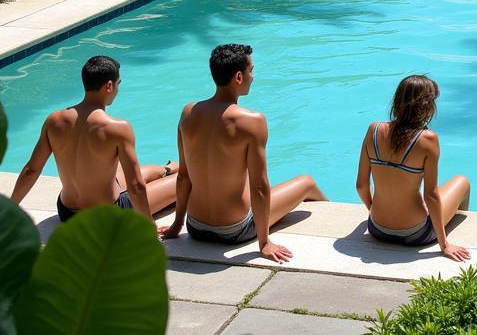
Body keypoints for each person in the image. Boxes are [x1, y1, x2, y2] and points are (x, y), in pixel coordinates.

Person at [159, 44, 327, 263]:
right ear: (238, 76)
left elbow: (183, 176)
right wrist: (264, 242)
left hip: (195, 226)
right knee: (307, 182)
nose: (253, 77)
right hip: (234, 230)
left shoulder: (188, 112)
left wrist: (176, 226)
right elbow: (259, 186)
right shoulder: (252, 121)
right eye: (251, 70)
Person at [10, 55, 178, 222]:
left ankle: (167, 169)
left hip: (67, 212)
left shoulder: (54, 120)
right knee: (184, 179)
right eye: (118, 84)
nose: (118, 90)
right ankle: (174, 172)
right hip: (108, 215)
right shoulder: (118, 127)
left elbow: (31, 170)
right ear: (109, 86)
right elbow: (136, 187)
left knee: (116, 167)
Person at [356, 75, 471, 262]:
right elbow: (431, 196)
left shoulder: (374, 130)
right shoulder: (428, 139)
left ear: (397, 100)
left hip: (377, 228)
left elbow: (361, 185)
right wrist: (445, 245)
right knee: (462, 182)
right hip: (417, 233)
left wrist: (373, 210)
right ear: (427, 106)